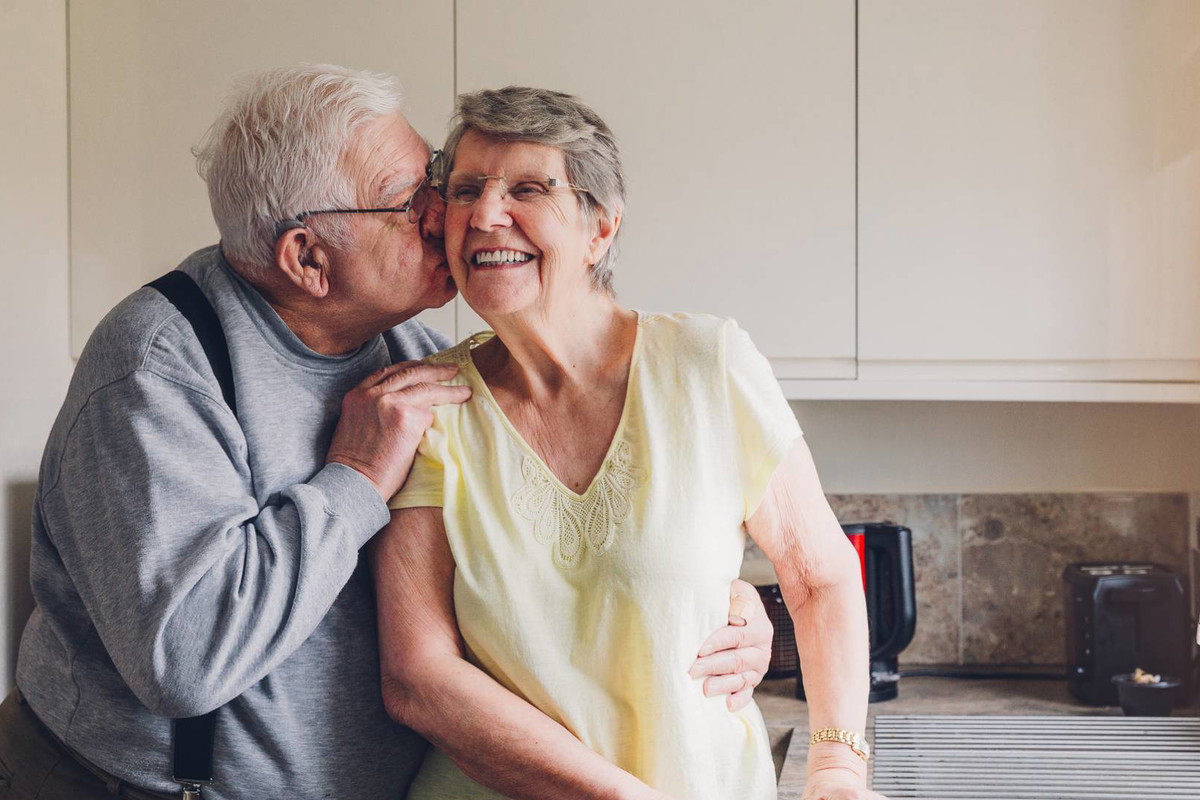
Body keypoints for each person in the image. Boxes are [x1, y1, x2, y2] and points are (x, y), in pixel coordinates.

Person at [1, 65, 773, 800]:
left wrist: (716, 605)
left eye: (436, 175)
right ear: (307, 257)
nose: (454, 213)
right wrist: (356, 479)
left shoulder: (414, 352)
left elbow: (538, 571)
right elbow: (185, 662)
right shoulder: (156, 373)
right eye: (410, 202)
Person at [374, 87, 889, 800]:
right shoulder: (428, 407)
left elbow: (818, 575)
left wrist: (837, 769)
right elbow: (419, 678)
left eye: (529, 187)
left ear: (601, 228)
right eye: (466, 190)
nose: (486, 215)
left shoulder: (707, 364)